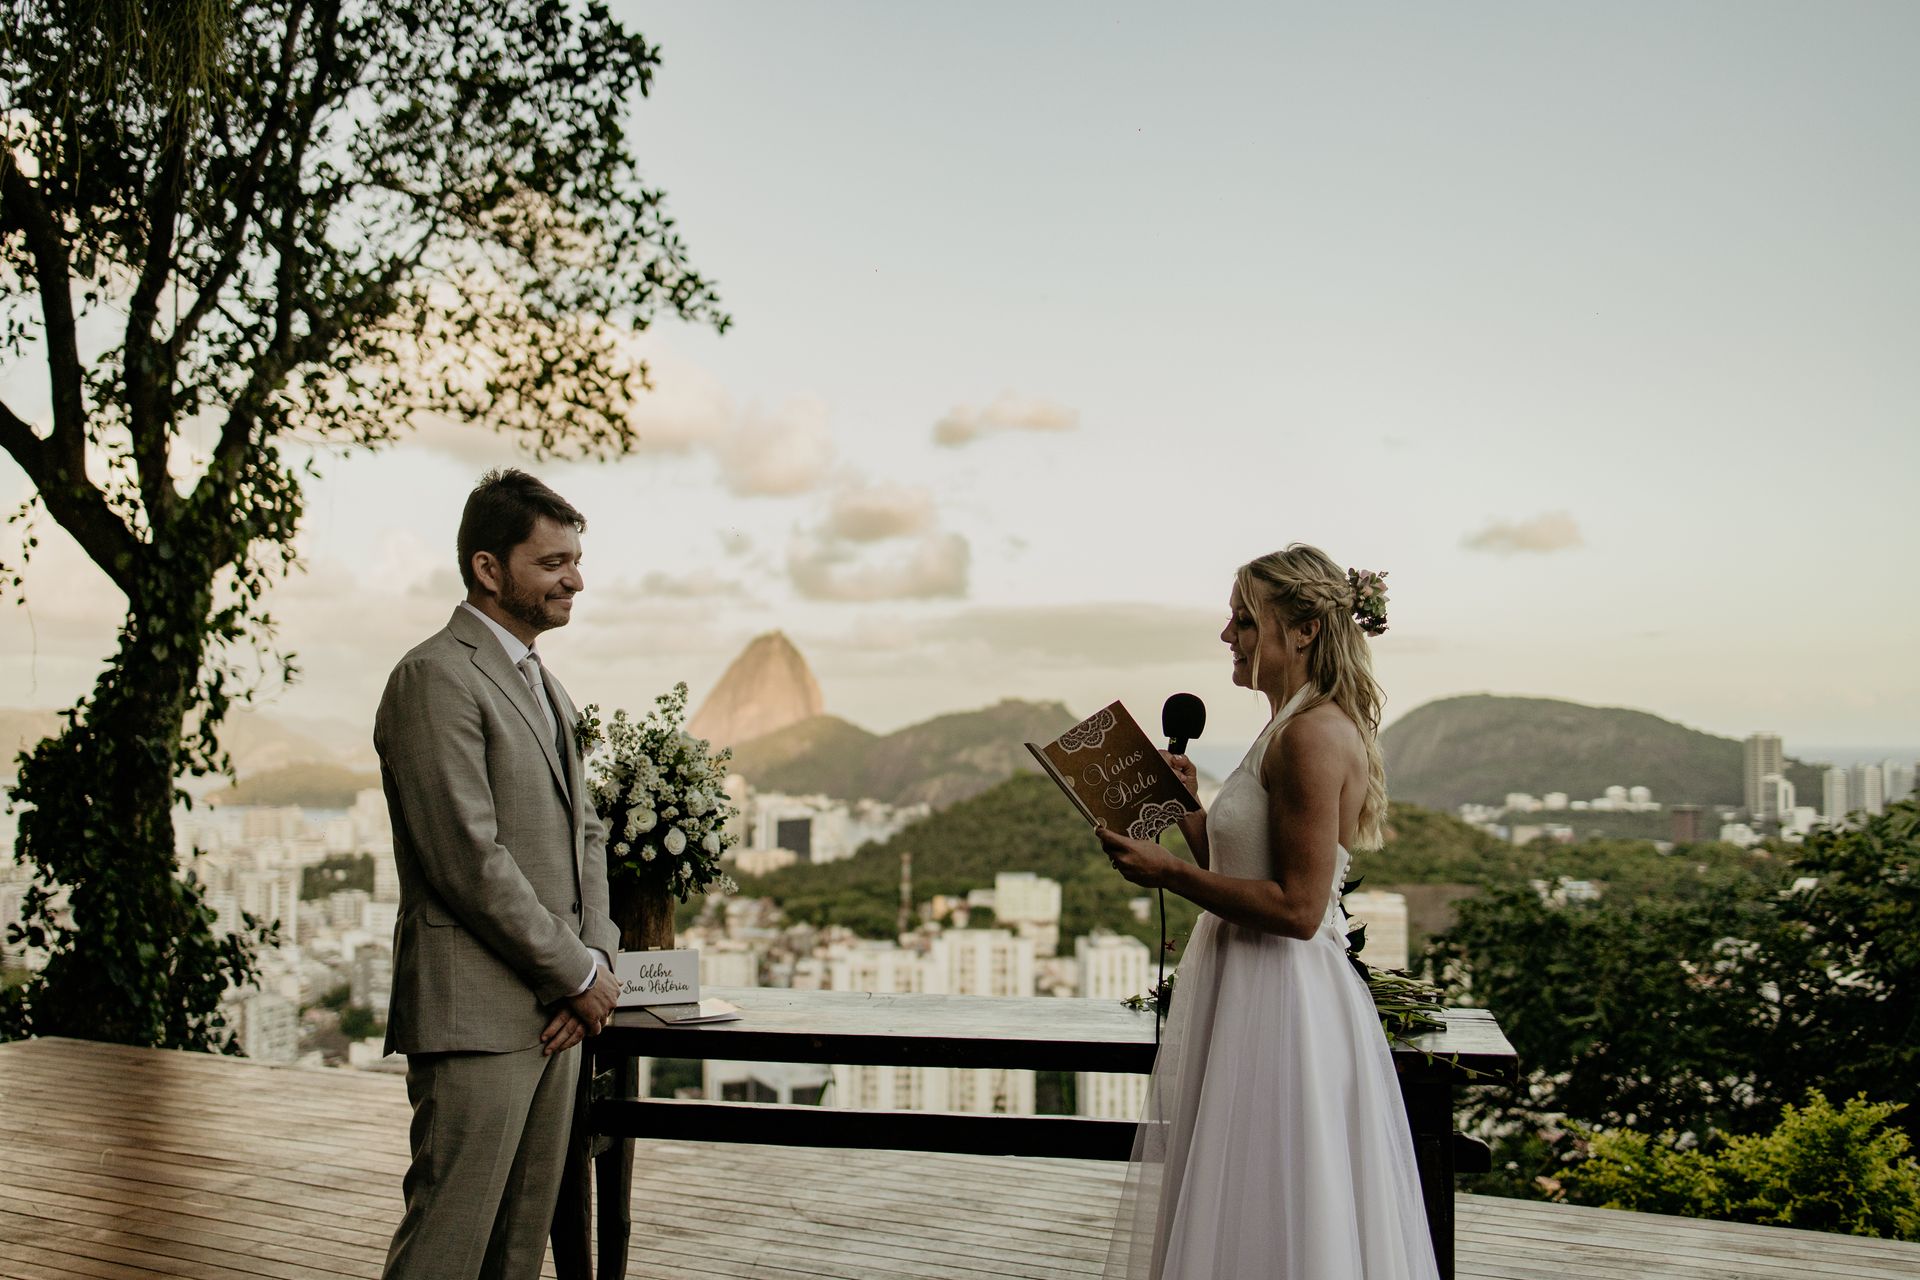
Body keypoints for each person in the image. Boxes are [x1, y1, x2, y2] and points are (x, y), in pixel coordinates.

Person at [1097, 544, 1436, 1280]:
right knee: (1240, 1194)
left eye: (1243, 620)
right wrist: (1190, 811)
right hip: (1246, 985)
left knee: (1270, 1195)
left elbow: (1299, 908)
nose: (1229, 637)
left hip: (1281, 1000)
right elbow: (1247, 869)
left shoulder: (1311, 734)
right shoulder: (1287, 724)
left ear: (1304, 629)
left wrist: (1166, 873)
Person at [377, 468, 621, 1280]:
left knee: (516, 1254)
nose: (575, 580)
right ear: (489, 568)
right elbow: (465, 857)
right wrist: (574, 971)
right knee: (446, 1251)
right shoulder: (433, 677)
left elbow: (587, 835)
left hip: (558, 1017)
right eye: (553, 563)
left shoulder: (548, 687)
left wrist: (595, 969)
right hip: (477, 1018)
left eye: (576, 560)